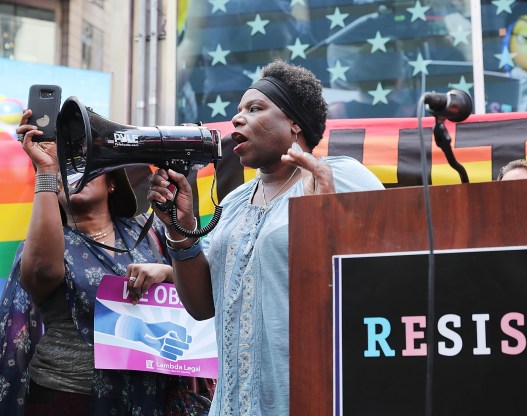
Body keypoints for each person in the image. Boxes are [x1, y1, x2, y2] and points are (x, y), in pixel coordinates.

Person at [147, 59, 384, 414]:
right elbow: (201, 307)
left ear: (294, 122)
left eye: (255, 109)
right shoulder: (234, 202)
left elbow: (382, 281)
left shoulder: (344, 176)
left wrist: (326, 218)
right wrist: (178, 229)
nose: (237, 119)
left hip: (308, 401)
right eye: (237, 111)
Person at [0, 109, 209, 415]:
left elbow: (204, 288)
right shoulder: (44, 244)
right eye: (63, 171)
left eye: (86, 167)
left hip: (147, 397)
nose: (74, 175)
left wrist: (165, 272)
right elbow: (43, 272)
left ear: (112, 182)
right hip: (67, 398)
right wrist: (45, 168)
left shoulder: (152, 233)